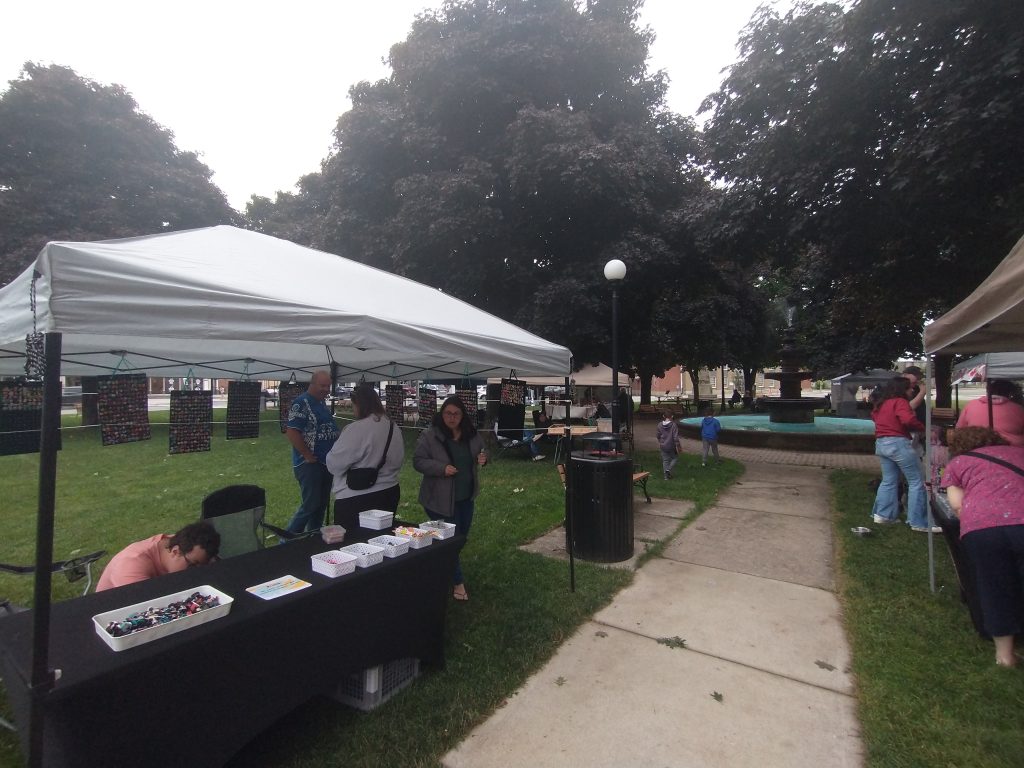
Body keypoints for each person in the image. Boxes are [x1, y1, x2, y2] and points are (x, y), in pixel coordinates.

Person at [942, 427, 1024, 667]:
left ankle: (1005, 655)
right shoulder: (1019, 453)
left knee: (994, 586)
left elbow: (956, 505)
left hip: (983, 529)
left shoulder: (958, 463)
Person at [413, 395, 487, 602]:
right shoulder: (430, 435)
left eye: (456, 414)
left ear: (463, 416)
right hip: (439, 499)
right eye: (448, 413)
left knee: (460, 538)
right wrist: (440, 468)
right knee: (451, 541)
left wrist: (484, 457)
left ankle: (438, 564)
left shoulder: (471, 435)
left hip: (466, 496)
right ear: (441, 413)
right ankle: (457, 583)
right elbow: (418, 461)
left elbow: (482, 450)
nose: (452, 418)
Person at [326, 383, 406, 530]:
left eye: (354, 405)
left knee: (353, 545)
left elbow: (334, 465)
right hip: (389, 492)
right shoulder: (393, 427)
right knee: (382, 542)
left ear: (361, 405)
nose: (353, 409)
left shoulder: (356, 429)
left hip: (356, 498)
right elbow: (398, 460)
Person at [869, 376, 940, 532]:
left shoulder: (882, 403)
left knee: (889, 480)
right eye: (909, 389)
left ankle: (883, 515)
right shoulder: (900, 402)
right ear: (902, 389)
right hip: (898, 443)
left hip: (881, 443)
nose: (911, 392)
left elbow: (874, 417)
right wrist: (922, 428)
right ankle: (918, 522)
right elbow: (907, 420)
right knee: (917, 481)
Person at [284, 371, 340, 534]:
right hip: (309, 464)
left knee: (321, 504)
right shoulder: (301, 403)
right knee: (310, 504)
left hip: (325, 463)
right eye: (322, 386)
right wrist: (307, 454)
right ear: (312, 384)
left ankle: (313, 536)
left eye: (328, 386)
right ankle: (287, 539)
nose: (326, 389)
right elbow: (292, 431)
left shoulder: (321, 403)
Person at [96, 521, 220, 591]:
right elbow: (146, 606)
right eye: (193, 565)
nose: (196, 572)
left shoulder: (183, 544)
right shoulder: (132, 564)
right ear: (175, 552)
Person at [956, 379, 1024, 446]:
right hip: (1011, 449)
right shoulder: (1018, 409)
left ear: (988, 391)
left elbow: (959, 428)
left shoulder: (971, 404)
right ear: (1010, 393)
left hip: (976, 447)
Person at [657, 411, 681, 479]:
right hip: (671, 446)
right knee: (675, 458)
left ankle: (666, 477)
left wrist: (660, 441)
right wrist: (678, 446)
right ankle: (668, 470)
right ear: (672, 416)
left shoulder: (659, 424)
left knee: (665, 460)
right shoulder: (674, 425)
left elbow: (658, 435)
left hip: (663, 446)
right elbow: (675, 437)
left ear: (663, 416)